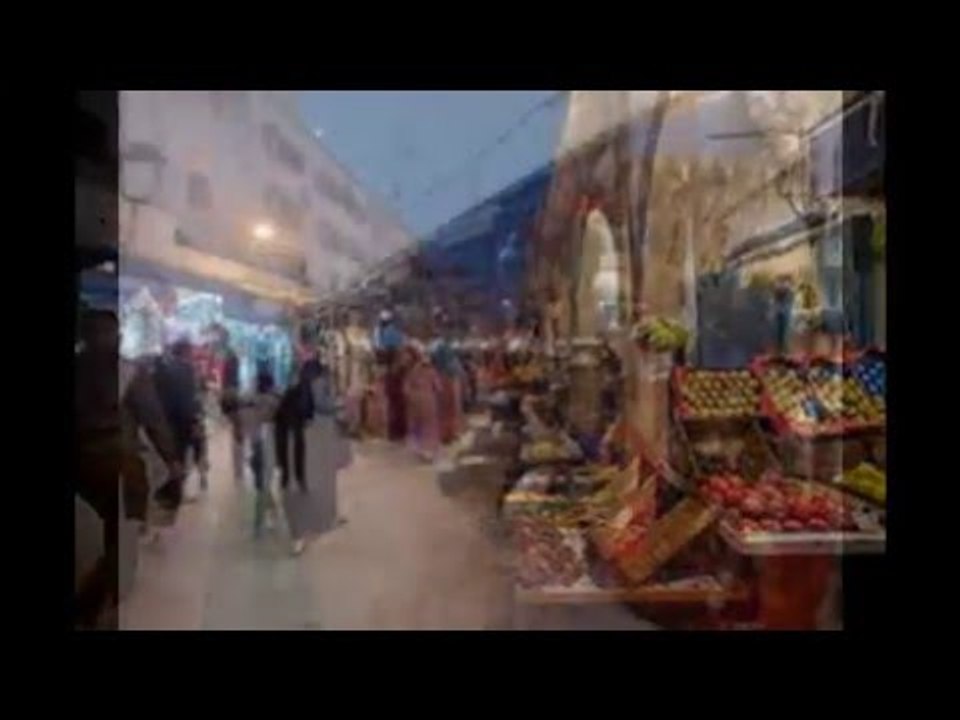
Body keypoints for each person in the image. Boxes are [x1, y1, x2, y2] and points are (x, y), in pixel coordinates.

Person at [76, 310, 182, 626]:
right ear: (119, 337)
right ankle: (96, 601)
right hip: (118, 466)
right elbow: (154, 421)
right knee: (119, 534)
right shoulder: (131, 373)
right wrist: (172, 460)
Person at [280, 362, 350, 555]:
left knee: (299, 485)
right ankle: (320, 522)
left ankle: (298, 534)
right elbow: (325, 406)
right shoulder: (320, 384)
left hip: (296, 442)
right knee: (320, 482)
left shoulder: (293, 390)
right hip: (318, 439)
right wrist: (341, 404)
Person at [155, 339, 207, 502]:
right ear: (185, 351)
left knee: (173, 455)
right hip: (183, 419)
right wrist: (195, 419)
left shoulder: (165, 368)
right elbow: (188, 398)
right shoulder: (186, 369)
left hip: (166, 418)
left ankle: (170, 492)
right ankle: (175, 493)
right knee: (182, 455)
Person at [238, 370, 281, 537]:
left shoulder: (250, 402)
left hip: (258, 445)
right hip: (269, 445)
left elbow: (244, 422)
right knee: (263, 483)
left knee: (261, 483)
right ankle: (267, 514)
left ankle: (261, 520)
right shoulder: (275, 401)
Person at [403, 343, 442, 461]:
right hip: (429, 399)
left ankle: (418, 448)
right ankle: (429, 450)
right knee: (429, 425)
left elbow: (406, 388)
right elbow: (438, 387)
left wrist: (410, 397)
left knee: (416, 424)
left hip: (415, 399)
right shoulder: (432, 371)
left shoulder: (412, 371)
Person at [374, 311, 407, 442]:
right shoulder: (396, 333)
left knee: (391, 402)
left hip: (390, 370)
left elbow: (382, 351)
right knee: (398, 402)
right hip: (397, 371)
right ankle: (399, 431)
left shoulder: (383, 333)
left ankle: (393, 432)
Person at [220, 340, 245, 483]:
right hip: (233, 394)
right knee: (237, 429)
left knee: (236, 428)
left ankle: (238, 467)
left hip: (229, 394)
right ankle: (238, 466)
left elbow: (225, 381)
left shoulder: (228, 364)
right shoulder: (233, 364)